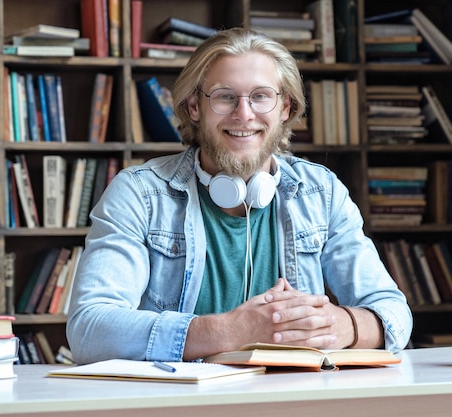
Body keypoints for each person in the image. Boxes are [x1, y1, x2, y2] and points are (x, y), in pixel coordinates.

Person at [66, 27, 412, 364]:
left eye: (261, 96)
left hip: (294, 398)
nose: (243, 114)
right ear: (194, 107)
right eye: (225, 96)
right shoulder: (139, 193)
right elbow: (90, 331)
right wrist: (230, 330)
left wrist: (342, 326)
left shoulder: (322, 191)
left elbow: (394, 313)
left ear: (286, 108)